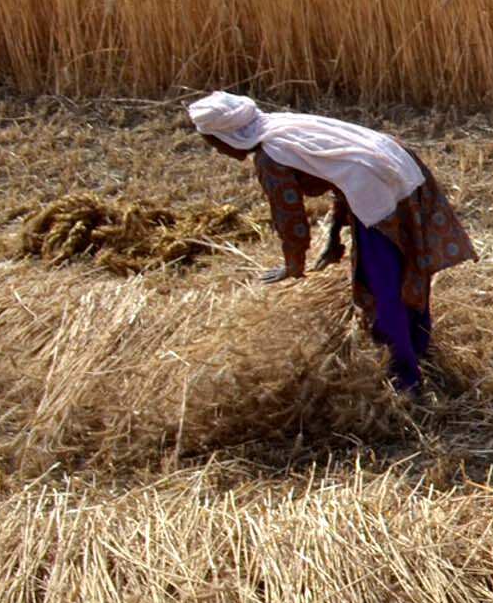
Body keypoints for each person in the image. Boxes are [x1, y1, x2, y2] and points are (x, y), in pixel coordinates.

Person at [187, 92, 475, 394]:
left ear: (227, 135)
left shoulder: (271, 156)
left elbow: (290, 220)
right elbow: (341, 173)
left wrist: (293, 265)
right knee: (410, 269)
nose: (217, 151)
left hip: (379, 188)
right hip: (399, 166)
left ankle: (406, 380)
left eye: (213, 142)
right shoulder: (279, 126)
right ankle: (417, 347)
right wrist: (334, 238)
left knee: (382, 288)